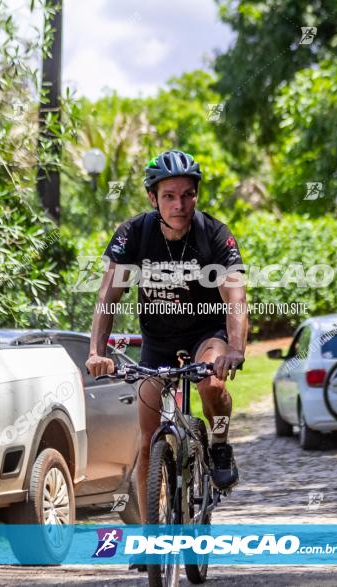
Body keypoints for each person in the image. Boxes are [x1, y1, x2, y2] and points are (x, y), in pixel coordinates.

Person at [85, 149, 248, 524]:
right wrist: (96, 351)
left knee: (210, 384)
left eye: (188, 194)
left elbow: (235, 297)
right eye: (170, 196)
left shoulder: (216, 235)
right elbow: (108, 295)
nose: (180, 204)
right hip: (157, 342)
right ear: (153, 198)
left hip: (207, 334)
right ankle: (150, 537)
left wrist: (236, 349)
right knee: (147, 440)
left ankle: (219, 443)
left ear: (196, 195)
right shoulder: (134, 235)